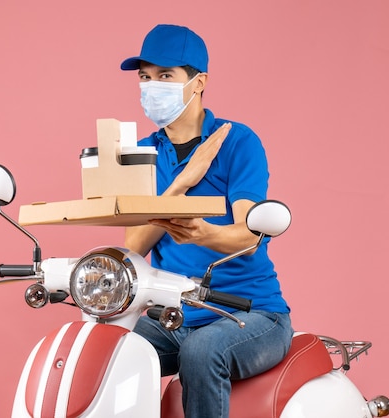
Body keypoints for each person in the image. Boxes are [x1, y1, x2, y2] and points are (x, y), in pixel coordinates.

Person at [120, 24, 293, 418]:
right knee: (111, 345)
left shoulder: (237, 142)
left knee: (201, 351)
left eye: (165, 76)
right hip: (173, 314)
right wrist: (182, 184)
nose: (151, 86)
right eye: (145, 77)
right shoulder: (142, 152)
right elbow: (135, 244)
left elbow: (251, 234)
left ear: (199, 82)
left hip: (251, 313)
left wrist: (206, 233)